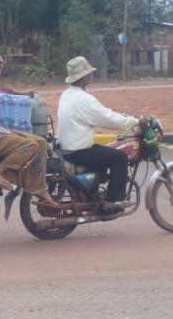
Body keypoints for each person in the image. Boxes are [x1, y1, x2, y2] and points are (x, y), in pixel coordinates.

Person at [0, 50, 57, 206]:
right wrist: (6, 131)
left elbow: (5, 90)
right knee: (31, 145)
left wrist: (23, 93)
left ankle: (40, 188)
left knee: (41, 142)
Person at [57, 56, 143, 209]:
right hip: (79, 150)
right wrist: (135, 121)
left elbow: (103, 115)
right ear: (84, 78)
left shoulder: (66, 95)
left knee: (104, 153)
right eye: (89, 73)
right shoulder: (84, 99)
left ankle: (92, 193)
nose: (91, 76)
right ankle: (114, 201)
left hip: (67, 148)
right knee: (120, 158)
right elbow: (108, 118)